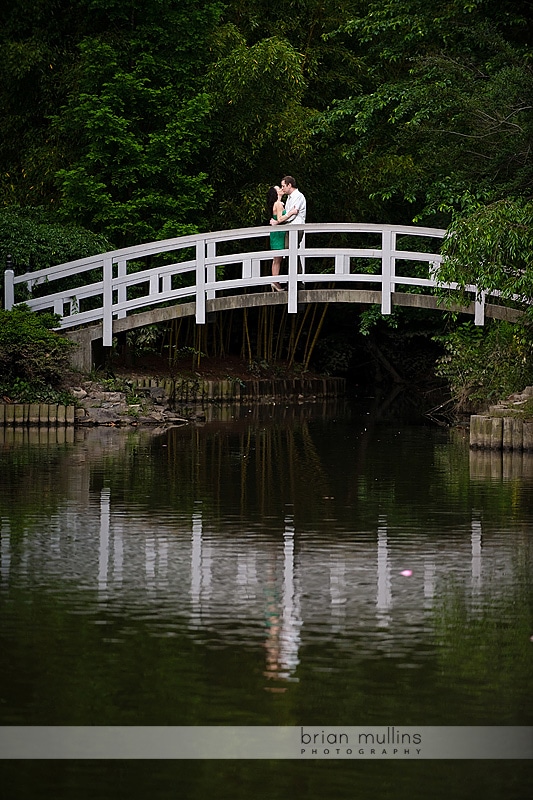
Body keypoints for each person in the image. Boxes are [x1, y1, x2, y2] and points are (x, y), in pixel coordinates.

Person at [266, 185, 298, 291]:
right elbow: (280, 218)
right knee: (277, 259)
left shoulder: (278, 204)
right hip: (279, 233)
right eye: (278, 189)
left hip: (277, 232)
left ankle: (275, 281)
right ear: (276, 193)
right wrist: (291, 213)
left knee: (277, 259)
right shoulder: (278, 204)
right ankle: (275, 282)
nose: (281, 189)